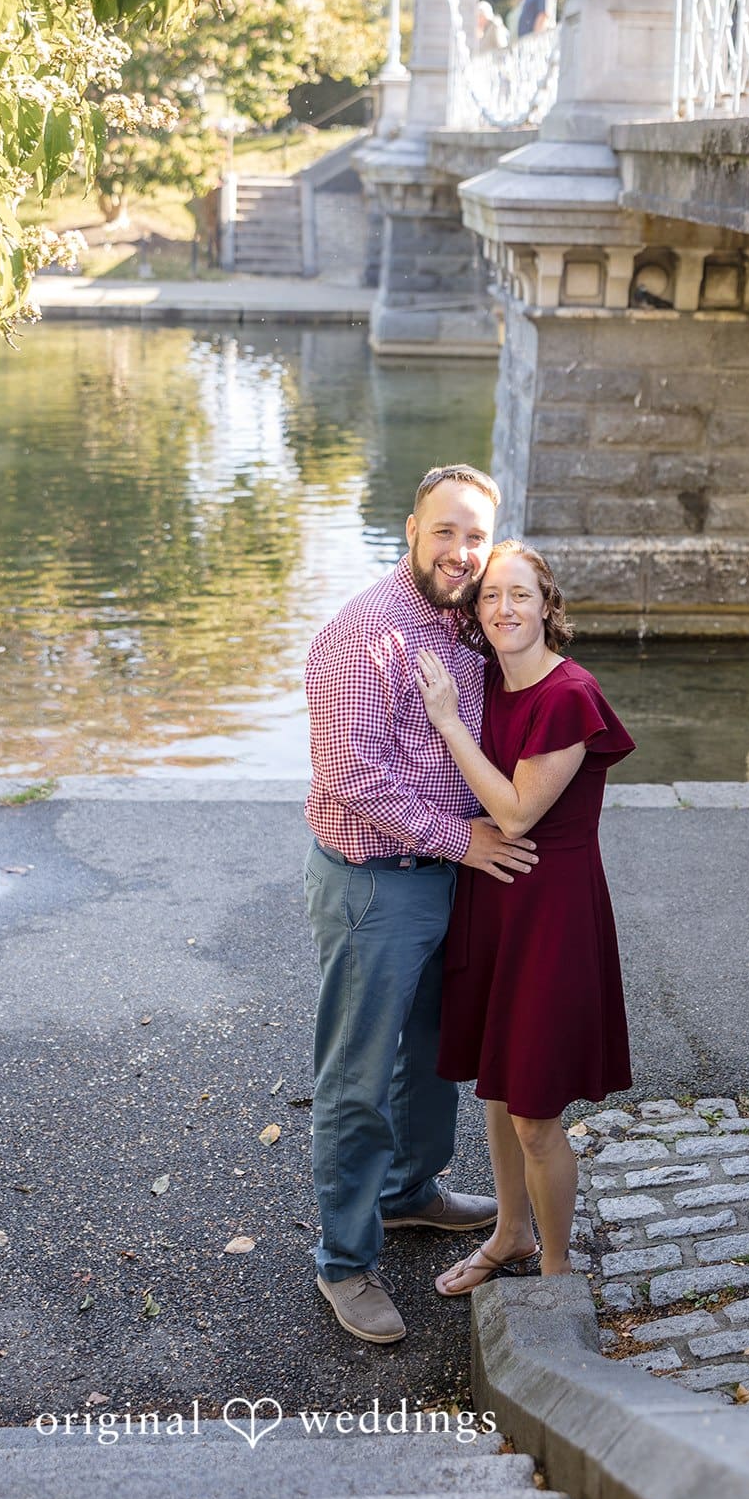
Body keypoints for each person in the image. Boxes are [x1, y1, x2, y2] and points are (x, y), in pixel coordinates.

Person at [303, 466, 539, 1345]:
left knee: (434, 1053)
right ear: (411, 530)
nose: (460, 552)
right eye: (444, 533)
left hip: (445, 874)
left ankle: (409, 1194)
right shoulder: (365, 633)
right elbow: (351, 776)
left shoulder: (467, 621)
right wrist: (465, 838)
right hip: (374, 879)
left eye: (475, 536)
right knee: (357, 1078)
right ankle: (343, 1261)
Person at [414, 541, 634, 1296]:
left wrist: (445, 722)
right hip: (493, 903)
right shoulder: (487, 685)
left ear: (547, 605)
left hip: (550, 911)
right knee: (500, 1090)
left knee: (536, 1109)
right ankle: (509, 1237)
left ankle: (553, 1268)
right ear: (476, 614)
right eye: (489, 598)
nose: (503, 609)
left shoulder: (567, 694)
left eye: (519, 594)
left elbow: (512, 812)